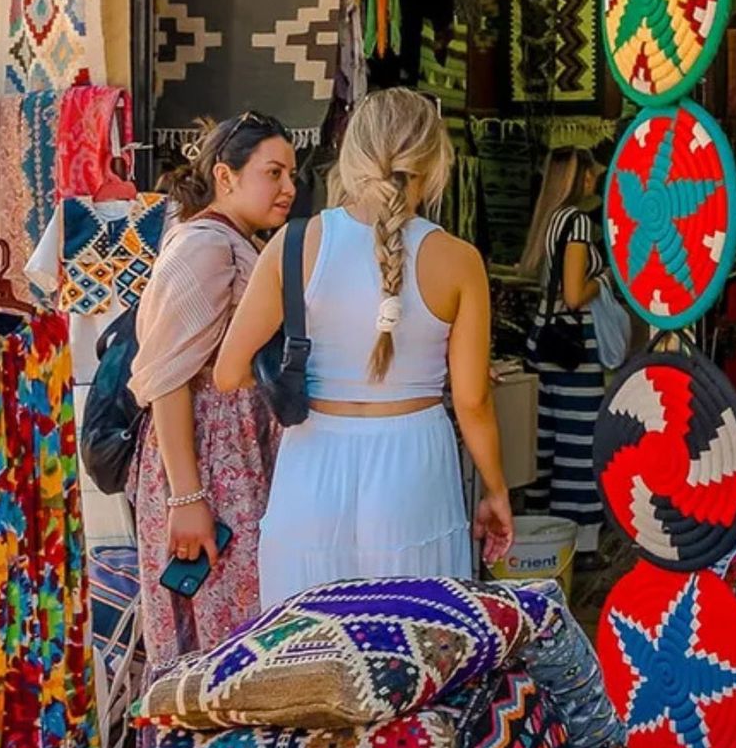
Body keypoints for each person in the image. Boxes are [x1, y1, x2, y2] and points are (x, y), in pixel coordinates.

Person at [215, 88, 514, 608]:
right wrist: (497, 490)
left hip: (311, 462)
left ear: (351, 155)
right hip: (414, 466)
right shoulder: (459, 260)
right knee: (411, 647)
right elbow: (472, 400)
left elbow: (229, 371)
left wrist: (297, 381)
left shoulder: (294, 244)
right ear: (435, 160)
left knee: (307, 655)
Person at [128, 111, 295, 665]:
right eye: (273, 173)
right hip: (208, 464)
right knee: (221, 637)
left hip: (233, 458)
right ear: (226, 176)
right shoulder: (204, 246)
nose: (288, 188)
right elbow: (168, 379)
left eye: (292, 175)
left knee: (244, 626)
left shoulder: (235, 242)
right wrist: (188, 497)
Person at [521, 147, 607, 566]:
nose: (595, 180)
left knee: (547, 439)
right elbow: (574, 296)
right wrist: (604, 279)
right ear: (581, 178)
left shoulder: (550, 217)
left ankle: (541, 528)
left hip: (545, 339)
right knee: (578, 442)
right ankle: (583, 541)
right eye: (590, 174)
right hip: (573, 346)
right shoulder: (577, 223)